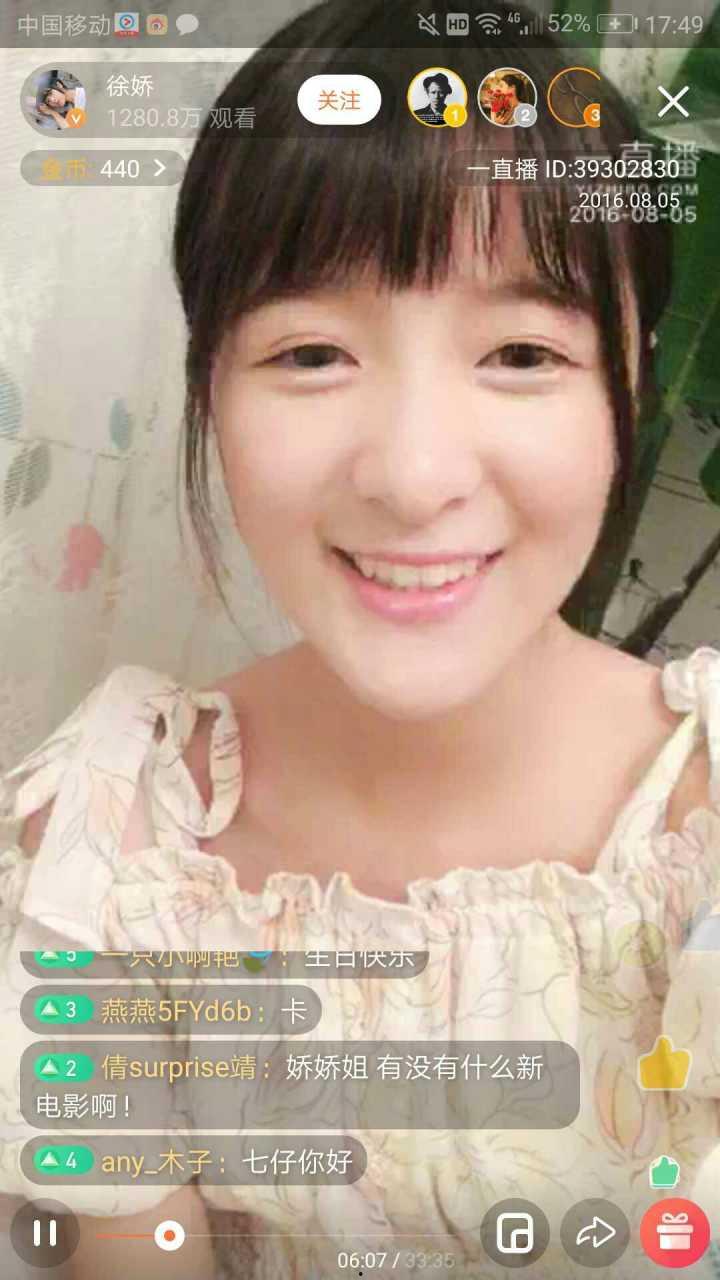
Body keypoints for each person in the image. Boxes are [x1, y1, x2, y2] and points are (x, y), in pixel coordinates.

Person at [1, 1, 719, 1278]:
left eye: (521, 351)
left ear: (629, 382)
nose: (414, 474)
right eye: (314, 352)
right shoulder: (110, 836)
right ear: (209, 384)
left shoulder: (700, 822)